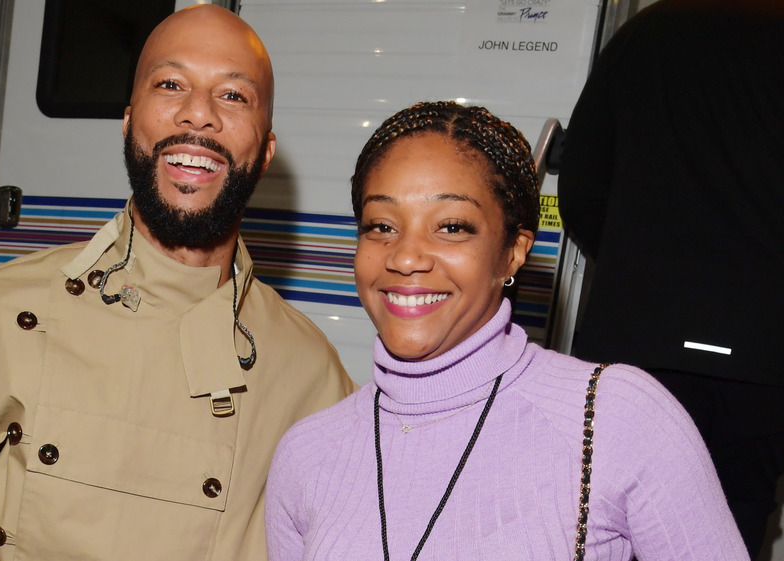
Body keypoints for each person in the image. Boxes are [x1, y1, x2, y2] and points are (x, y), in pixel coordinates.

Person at [0, 6, 354, 561]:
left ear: (264, 151)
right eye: (171, 84)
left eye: (233, 96)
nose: (197, 115)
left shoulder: (313, 378)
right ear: (128, 120)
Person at [264, 100, 748, 560]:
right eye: (381, 225)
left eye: (451, 226)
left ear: (513, 251)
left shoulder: (612, 418)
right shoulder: (307, 454)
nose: (405, 257)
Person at [557, 0, 784, 554]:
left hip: (640, 339)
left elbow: (582, 189)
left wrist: (637, 273)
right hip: (762, 355)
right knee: (732, 523)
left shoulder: (648, 32)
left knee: (603, 520)